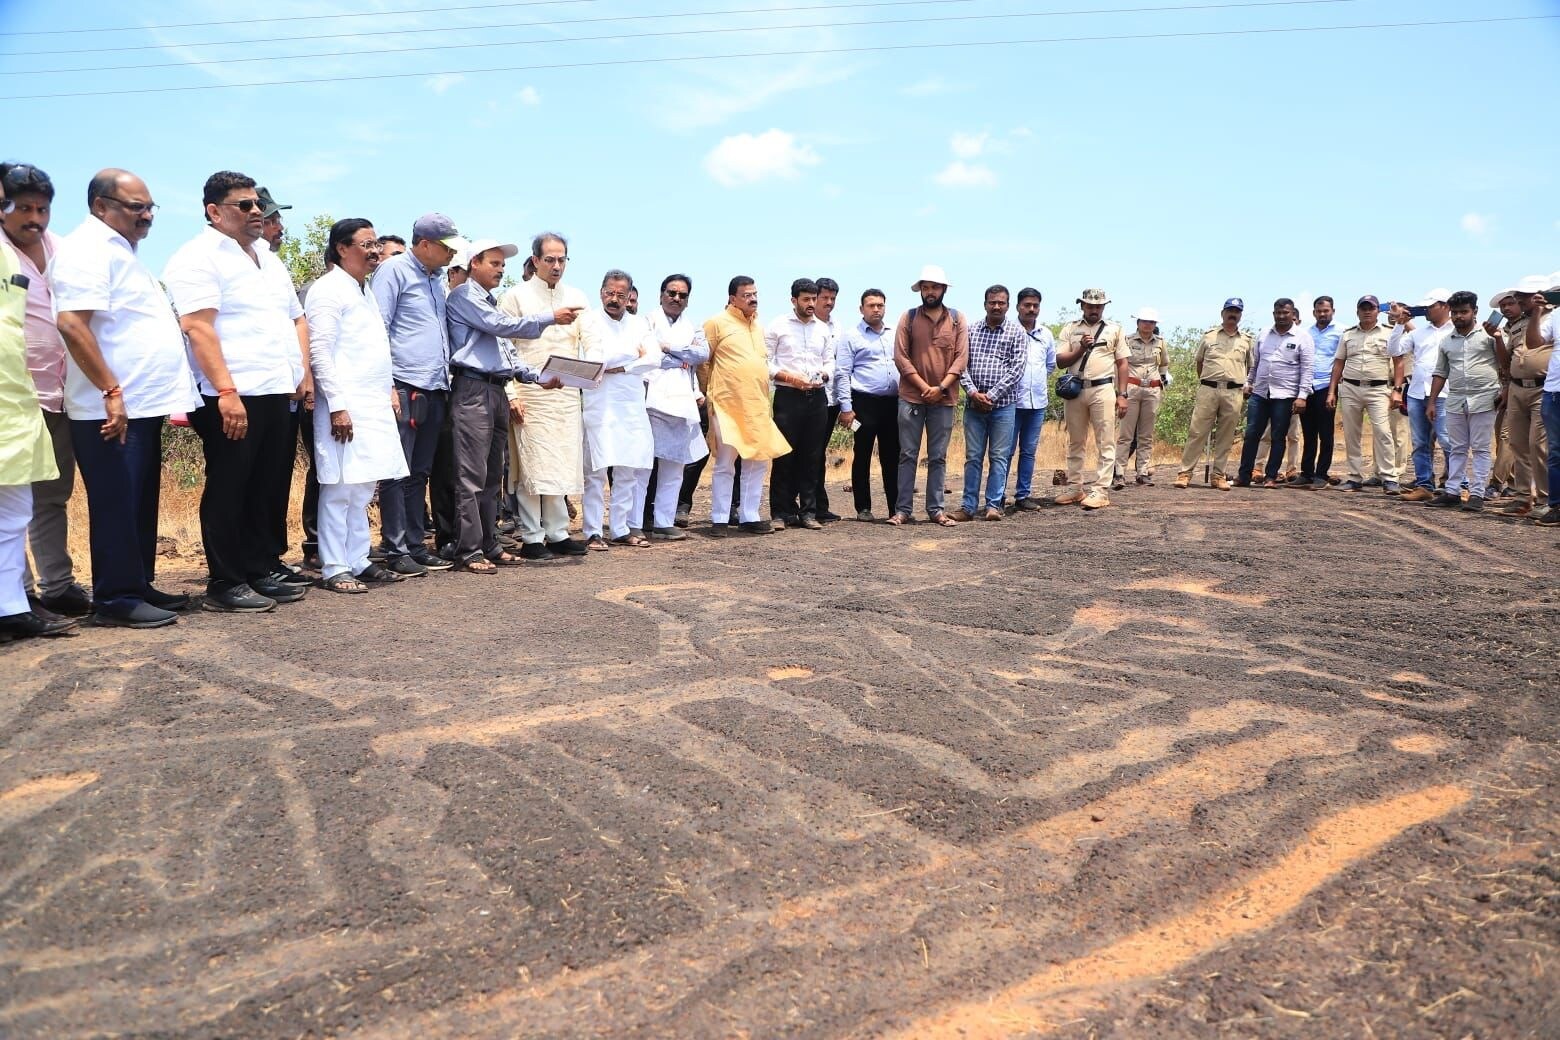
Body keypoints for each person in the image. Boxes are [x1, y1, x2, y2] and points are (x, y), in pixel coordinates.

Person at [49, 168, 202, 628]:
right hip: (110, 406)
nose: (147, 216)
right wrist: (110, 391)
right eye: (137, 207)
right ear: (101, 206)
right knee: (116, 501)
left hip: (142, 402)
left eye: (151, 207)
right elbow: (72, 323)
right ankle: (115, 598)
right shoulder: (87, 249)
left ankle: (137, 583)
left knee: (137, 499)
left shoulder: (121, 251)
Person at [164, 170, 313, 613]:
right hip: (230, 392)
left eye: (256, 204)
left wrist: (300, 374)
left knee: (268, 483)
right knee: (231, 485)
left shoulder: (267, 256)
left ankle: (260, 565)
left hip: (275, 388)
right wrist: (226, 391)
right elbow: (197, 327)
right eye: (243, 205)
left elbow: (295, 317)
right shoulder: (196, 257)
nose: (255, 212)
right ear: (214, 212)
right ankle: (225, 580)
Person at [442, 238, 567, 571]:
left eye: (502, 265)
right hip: (472, 388)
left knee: (492, 474)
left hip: (496, 389)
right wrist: (549, 318)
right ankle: (469, 550)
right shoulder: (464, 296)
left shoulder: (488, 300)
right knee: (471, 475)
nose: (500, 269)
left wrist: (537, 377)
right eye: (494, 264)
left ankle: (488, 543)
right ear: (474, 264)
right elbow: (501, 327)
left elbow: (507, 352)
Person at [1, 162, 90, 617]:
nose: (34, 218)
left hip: (59, 393)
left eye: (43, 208)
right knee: (9, 501)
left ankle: (57, 585)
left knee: (52, 496)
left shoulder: (60, 249)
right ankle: (19, 594)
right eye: (24, 208)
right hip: (11, 397)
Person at [306, 220, 414, 591]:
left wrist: (389, 389)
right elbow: (320, 352)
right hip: (345, 404)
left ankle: (359, 558)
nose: (374, 251)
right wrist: (337, 405)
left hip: (373, 403)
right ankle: (335, 566)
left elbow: (372, 349)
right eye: (366, 244)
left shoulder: (362, 289)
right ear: (341, 248)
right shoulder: (327, 290)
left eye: (376, 244)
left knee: (364, 486)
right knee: (339, 487)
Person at [373, 212, 468, 576]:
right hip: (404, 383)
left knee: (419, 470)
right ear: (425, 244)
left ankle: (414, 544)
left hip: (434, 385)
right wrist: (388, 386)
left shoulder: (436, 279)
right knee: (397, 470)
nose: (451, 255)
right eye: (446, 247)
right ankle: (395, 548)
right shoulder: (394, 271)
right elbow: (379, 327)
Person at [498, 231, 596, 559]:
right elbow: (502, 347)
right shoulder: (515, 296)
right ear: (536, 260)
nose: (556, 266)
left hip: (565, 394)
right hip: (530, 392)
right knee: (530, 465)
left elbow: (590, 344)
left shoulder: (577, 296)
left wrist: (593, 371)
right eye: (550, 259)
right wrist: (510, 393)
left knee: (560, 464)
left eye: (562, 259)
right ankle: (532, 537)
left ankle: (558, 533)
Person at [702, 276, 790, 534]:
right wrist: (708, 392)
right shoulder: (716, 323)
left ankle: (749, 516)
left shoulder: (758, 327)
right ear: (732, 298)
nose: (753, 298)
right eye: (747, 295)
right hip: (727, 404)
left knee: (757, 460)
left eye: (755, 294)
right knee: (726, 462)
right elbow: (704, 363)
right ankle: (719, 518)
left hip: (757, 405)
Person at [583, 269, 659, 549]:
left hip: (630, 403)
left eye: (620, 295)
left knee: (627, 470)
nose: (614, 299)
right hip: (599, 402)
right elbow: (595, 358)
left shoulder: (639, 324)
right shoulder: (589, 320)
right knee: (596, 471)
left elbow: (655, 358)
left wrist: (625, 365)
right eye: (609, 293)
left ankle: (621, 528)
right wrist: (632, 355)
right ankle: (592, 531)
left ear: (629, 297)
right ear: (601, 292)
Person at [889, 265, 967, 526]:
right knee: (907, 454)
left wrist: (941, 387)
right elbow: (901, 357)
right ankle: (902, 510)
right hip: (911, 397)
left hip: (944, 399)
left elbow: (961, 358)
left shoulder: (957, 319)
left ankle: (936, 510)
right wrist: (924, 387)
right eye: (925, 287)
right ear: (920, 290)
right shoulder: (908, 318)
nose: (930, 291)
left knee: (938, 456)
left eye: (934, 287)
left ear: (943, 289)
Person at [950, 284, 1025, 521]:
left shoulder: (1016, 332)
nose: (996, 306)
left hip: (1004, 406)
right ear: (985, 304)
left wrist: (991, 395)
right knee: (973, 456)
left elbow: (1016, 370)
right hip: (974, 406)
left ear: (1007, 306)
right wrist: (973, 393)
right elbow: (960, 365)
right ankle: (967, 507)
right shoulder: (970, 331)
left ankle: (993, 505)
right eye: (992, 302)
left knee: (999, 457)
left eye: (1001, 302)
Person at [1426, 291, 1504, 511]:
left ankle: (1477, 494)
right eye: (1455, 312)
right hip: (1455, 400)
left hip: (1485, 398)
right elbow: (1440, 372)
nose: (1459, 316)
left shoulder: (1490, 335)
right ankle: (1452, 492)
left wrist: (1498, 338)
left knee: (1480, 448)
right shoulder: (1446, 341)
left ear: (1475, 312)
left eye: (1464, 312)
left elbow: (1504, 362)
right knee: (1457, 447)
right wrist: (1432, 402)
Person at [642, 273, 707, 540]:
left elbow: (702, 354)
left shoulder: (693, 325)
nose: (676, 298)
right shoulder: (647, 320)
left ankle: (664, 522)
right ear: (661, 294)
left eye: (682, 295)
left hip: (682, 402)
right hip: (651, 398)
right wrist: (681, 354)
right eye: (671, 293)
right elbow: (650, 354)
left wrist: (668, 348)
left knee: (674, 465)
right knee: (643, 467)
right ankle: (636, 521)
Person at [766, 277, 834, 530]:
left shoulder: (822, 329)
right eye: (806, 299)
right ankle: (781, 512)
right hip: (788, 397)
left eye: (814, 299)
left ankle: (808, 512)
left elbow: (829, 360)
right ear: (793, 300)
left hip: (816, 398)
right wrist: (789, 378)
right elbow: (766, 362)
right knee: (784, 454)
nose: (811, 304)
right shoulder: (777, 326)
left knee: (812, 456)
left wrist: (825, 375)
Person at [1054, 288, 1130, 509]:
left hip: (1103, 388)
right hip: (1076, 389)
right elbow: (1061, 361)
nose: (1094, 309)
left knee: (1105, 441)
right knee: (1076, 441)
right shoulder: (1070, 329)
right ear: (1082, 306)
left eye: (1098, 306)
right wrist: (1080, 348)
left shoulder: (1114, 329)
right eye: (1090, 305)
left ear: (1104, 307)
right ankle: (1075, 487)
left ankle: (1101, 490)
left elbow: (1123, 363)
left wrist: (1122, 395)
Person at [1324, 295, 1401, 494]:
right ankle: (1354, 477)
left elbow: (1399, 362)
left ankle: (1389, 478)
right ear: (1357, 311)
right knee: (1351, 434)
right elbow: (1339, 363)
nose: (1367, 311)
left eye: (1371, 308)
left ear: (1378, 311)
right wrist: (1332, 391)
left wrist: (1397, 390)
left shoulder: (1389, 333)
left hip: (1378, 389)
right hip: (1350, 388)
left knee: (1383, 432)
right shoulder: (1348, 335)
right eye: (1363, 308)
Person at [835, 288, 899, 520]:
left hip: (892, 404)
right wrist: (846, 408)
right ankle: (863, 508)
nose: (876, 309)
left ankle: (895, 508)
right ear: (861, 309)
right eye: (871, 305)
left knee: (892, 456)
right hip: (862, 405)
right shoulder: (852, 336)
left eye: (880, 305)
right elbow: (842, 373)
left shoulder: (895, 333)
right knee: (862, 454)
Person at [1175, 299, 1253, 490]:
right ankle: (1185, 474)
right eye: (1229, 311)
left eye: (1236, 311)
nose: (1232, 314)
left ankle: (1218, 476)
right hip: (1208, 389)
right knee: (1197, 432)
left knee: (1226, 435)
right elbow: (1199, 363)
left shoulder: (1247, 340)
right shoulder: (1209, 337)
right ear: (1222, 313)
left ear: (1240, 315)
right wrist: (1207, 381)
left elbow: (1250, 366)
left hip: (1234, 392)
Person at [1235, 298, 1314, 488]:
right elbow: (1256, 363)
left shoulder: (1302, 337)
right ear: (1273, 314)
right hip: (1260, 393)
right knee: (1252, 434)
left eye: (1285, 313)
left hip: (1285, 395)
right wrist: (1248, 383)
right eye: (1278, 313)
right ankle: (1244, 476)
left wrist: (1302, 396)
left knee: (1278, 436)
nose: (1281, 316)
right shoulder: (1263, 334)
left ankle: (1270, 476)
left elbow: (1307, 369)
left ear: (1293, 314)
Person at [1394, 289, 1454, 500]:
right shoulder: (1418, 333)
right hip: (1418, 393)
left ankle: (1457, 486)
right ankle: (1424, 485)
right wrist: (1399, 324)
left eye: (1431, 306)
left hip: (1446, 394)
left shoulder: (1456, 330)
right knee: (1420, 442)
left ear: (1445, 306)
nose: (1427, 309)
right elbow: (1393, 350)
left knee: (1448, 441)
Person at [1494, 286, 1549, 517]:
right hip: (1517, 388)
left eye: (1522, 297)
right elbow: (1507, 362)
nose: (1518, 301)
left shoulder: (1552, 318)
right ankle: (1523, 497)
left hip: (1543, 387)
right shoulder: (1516, 325)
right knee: (1518, 443)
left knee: (1539, 445)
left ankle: (1547, 499)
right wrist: (1497, 339)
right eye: (1518, 297)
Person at [1008, 287, 1056, 510]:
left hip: (1037, 402)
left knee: (1028, 451)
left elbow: (1049, 365)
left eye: (1035, 305)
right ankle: (997, 496)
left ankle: (1022, 495)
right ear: (1018, 306)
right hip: (1011, 402)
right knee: (1005, 451)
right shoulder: (1007, 330)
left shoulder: (1045, 334)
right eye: (1027, 305)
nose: (1031, 309)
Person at [1113, 307, 1170, 488]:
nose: (1148, 325)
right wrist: (1119, 391)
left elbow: (1163, 364)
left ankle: (1142, 472)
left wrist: (1162, 381)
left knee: (1146, 434)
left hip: (1152, 390)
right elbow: (1120, 364)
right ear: (1138, 323)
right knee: (1126, 434)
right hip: (1132, 387)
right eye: (1145, 321)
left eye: (1152, 322)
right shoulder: (1127, 340)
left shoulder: (1160, 342)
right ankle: (1119, 473)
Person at [1520, 275, 1560, 525]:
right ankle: (1556, 506)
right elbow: (1534, 343)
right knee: (1555, 452)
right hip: (1554, 391)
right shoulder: (1554, 316)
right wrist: (1537, 312)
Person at [1288, 296, 1340, 487]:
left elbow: (1342, 359)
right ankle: (1307, 473)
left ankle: (1321, 474)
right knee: (1308, 433)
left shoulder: (1341, 332)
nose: (1322, 314)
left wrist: (1333, 390)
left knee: (1326, 433)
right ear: (1313, 313)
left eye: (1326, 311)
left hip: (1327, 387)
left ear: (1332, 311)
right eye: (1319, 311)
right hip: (1307, 387)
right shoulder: (1306, 333)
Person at [811, 275, 843, 521]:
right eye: (825, 297)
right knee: (804, 453)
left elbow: (841, 367)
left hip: (831, 401)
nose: (829, 302)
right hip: (805, 396)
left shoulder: (838, 329)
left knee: (819, 453)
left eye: (833, 298)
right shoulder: (804, 325)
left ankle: (818, 506)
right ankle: (796, 505)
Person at [257, 187, 290, 253]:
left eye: (279, 220)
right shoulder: (237, 259)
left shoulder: (269, 260)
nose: (281, 227)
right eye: (272, 221)